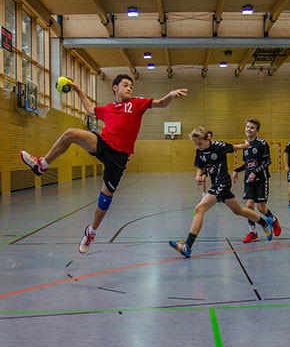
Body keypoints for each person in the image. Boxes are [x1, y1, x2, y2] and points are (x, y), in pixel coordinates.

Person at [21, 74, 187, 254]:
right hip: (103, 143)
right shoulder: (109, 108)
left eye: (131, 86)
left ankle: (91, 232)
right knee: (70, 133)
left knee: (105, 200)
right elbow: (91, 109)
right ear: (115, 88)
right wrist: (77, 89)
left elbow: (161, 103)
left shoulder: (137, 103)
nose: (129, 88)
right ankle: (41, 165)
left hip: (119, 157)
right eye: (125, 85)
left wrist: (170, 95)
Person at [169, 127, 274, 258]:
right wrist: (198, 175)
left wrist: (246, 145)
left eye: (200, 143)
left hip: (223, 182)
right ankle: (265, 223)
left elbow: (234, 147)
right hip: (216, 183)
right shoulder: (199, 151)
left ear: (207, 138)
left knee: (199, 209)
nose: (198, 146)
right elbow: (200, 167)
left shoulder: (218, 146)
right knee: (238, 210)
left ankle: (188, 246)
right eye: (195, 144)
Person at [233, 119, 281, 243]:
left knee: (261, 208)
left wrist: (255, 172)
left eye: (252, 128)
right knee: (249, 206)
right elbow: (247, 164)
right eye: (247, 127)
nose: (249, 129)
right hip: (249, 180)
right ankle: (252, 233)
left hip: (261, 179)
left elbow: (267, 162)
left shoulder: (262, 144)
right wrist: (237, 170)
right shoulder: (245, 145)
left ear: (257, 131)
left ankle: (274, 220)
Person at [201, 131, 213, 197]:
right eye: (208, 136)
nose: (209, 137)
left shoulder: (214, 146)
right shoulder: (202, 146)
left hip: (213, 166)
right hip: (205, 165)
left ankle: (217, 194)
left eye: (210, 136)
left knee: (214, 180)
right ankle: (203, 195)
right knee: (203, 179)